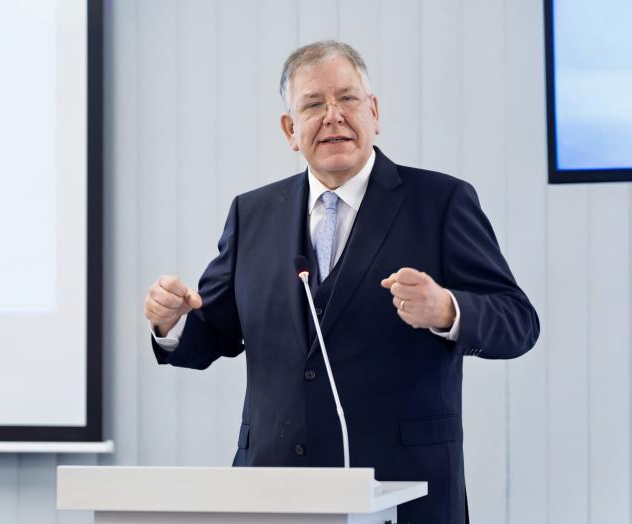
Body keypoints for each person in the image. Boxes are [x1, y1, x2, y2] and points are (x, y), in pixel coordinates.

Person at [144, 40, 539, 524]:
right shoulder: (252, 214)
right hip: (273, 492)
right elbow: (215, 332)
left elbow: (519, 322)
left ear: (374, 112)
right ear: (290, 129)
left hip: (403, 491)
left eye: (348, 98)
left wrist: (447, 310)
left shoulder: (441, 201)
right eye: (313, 104)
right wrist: (173, 324)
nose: (333, 116)